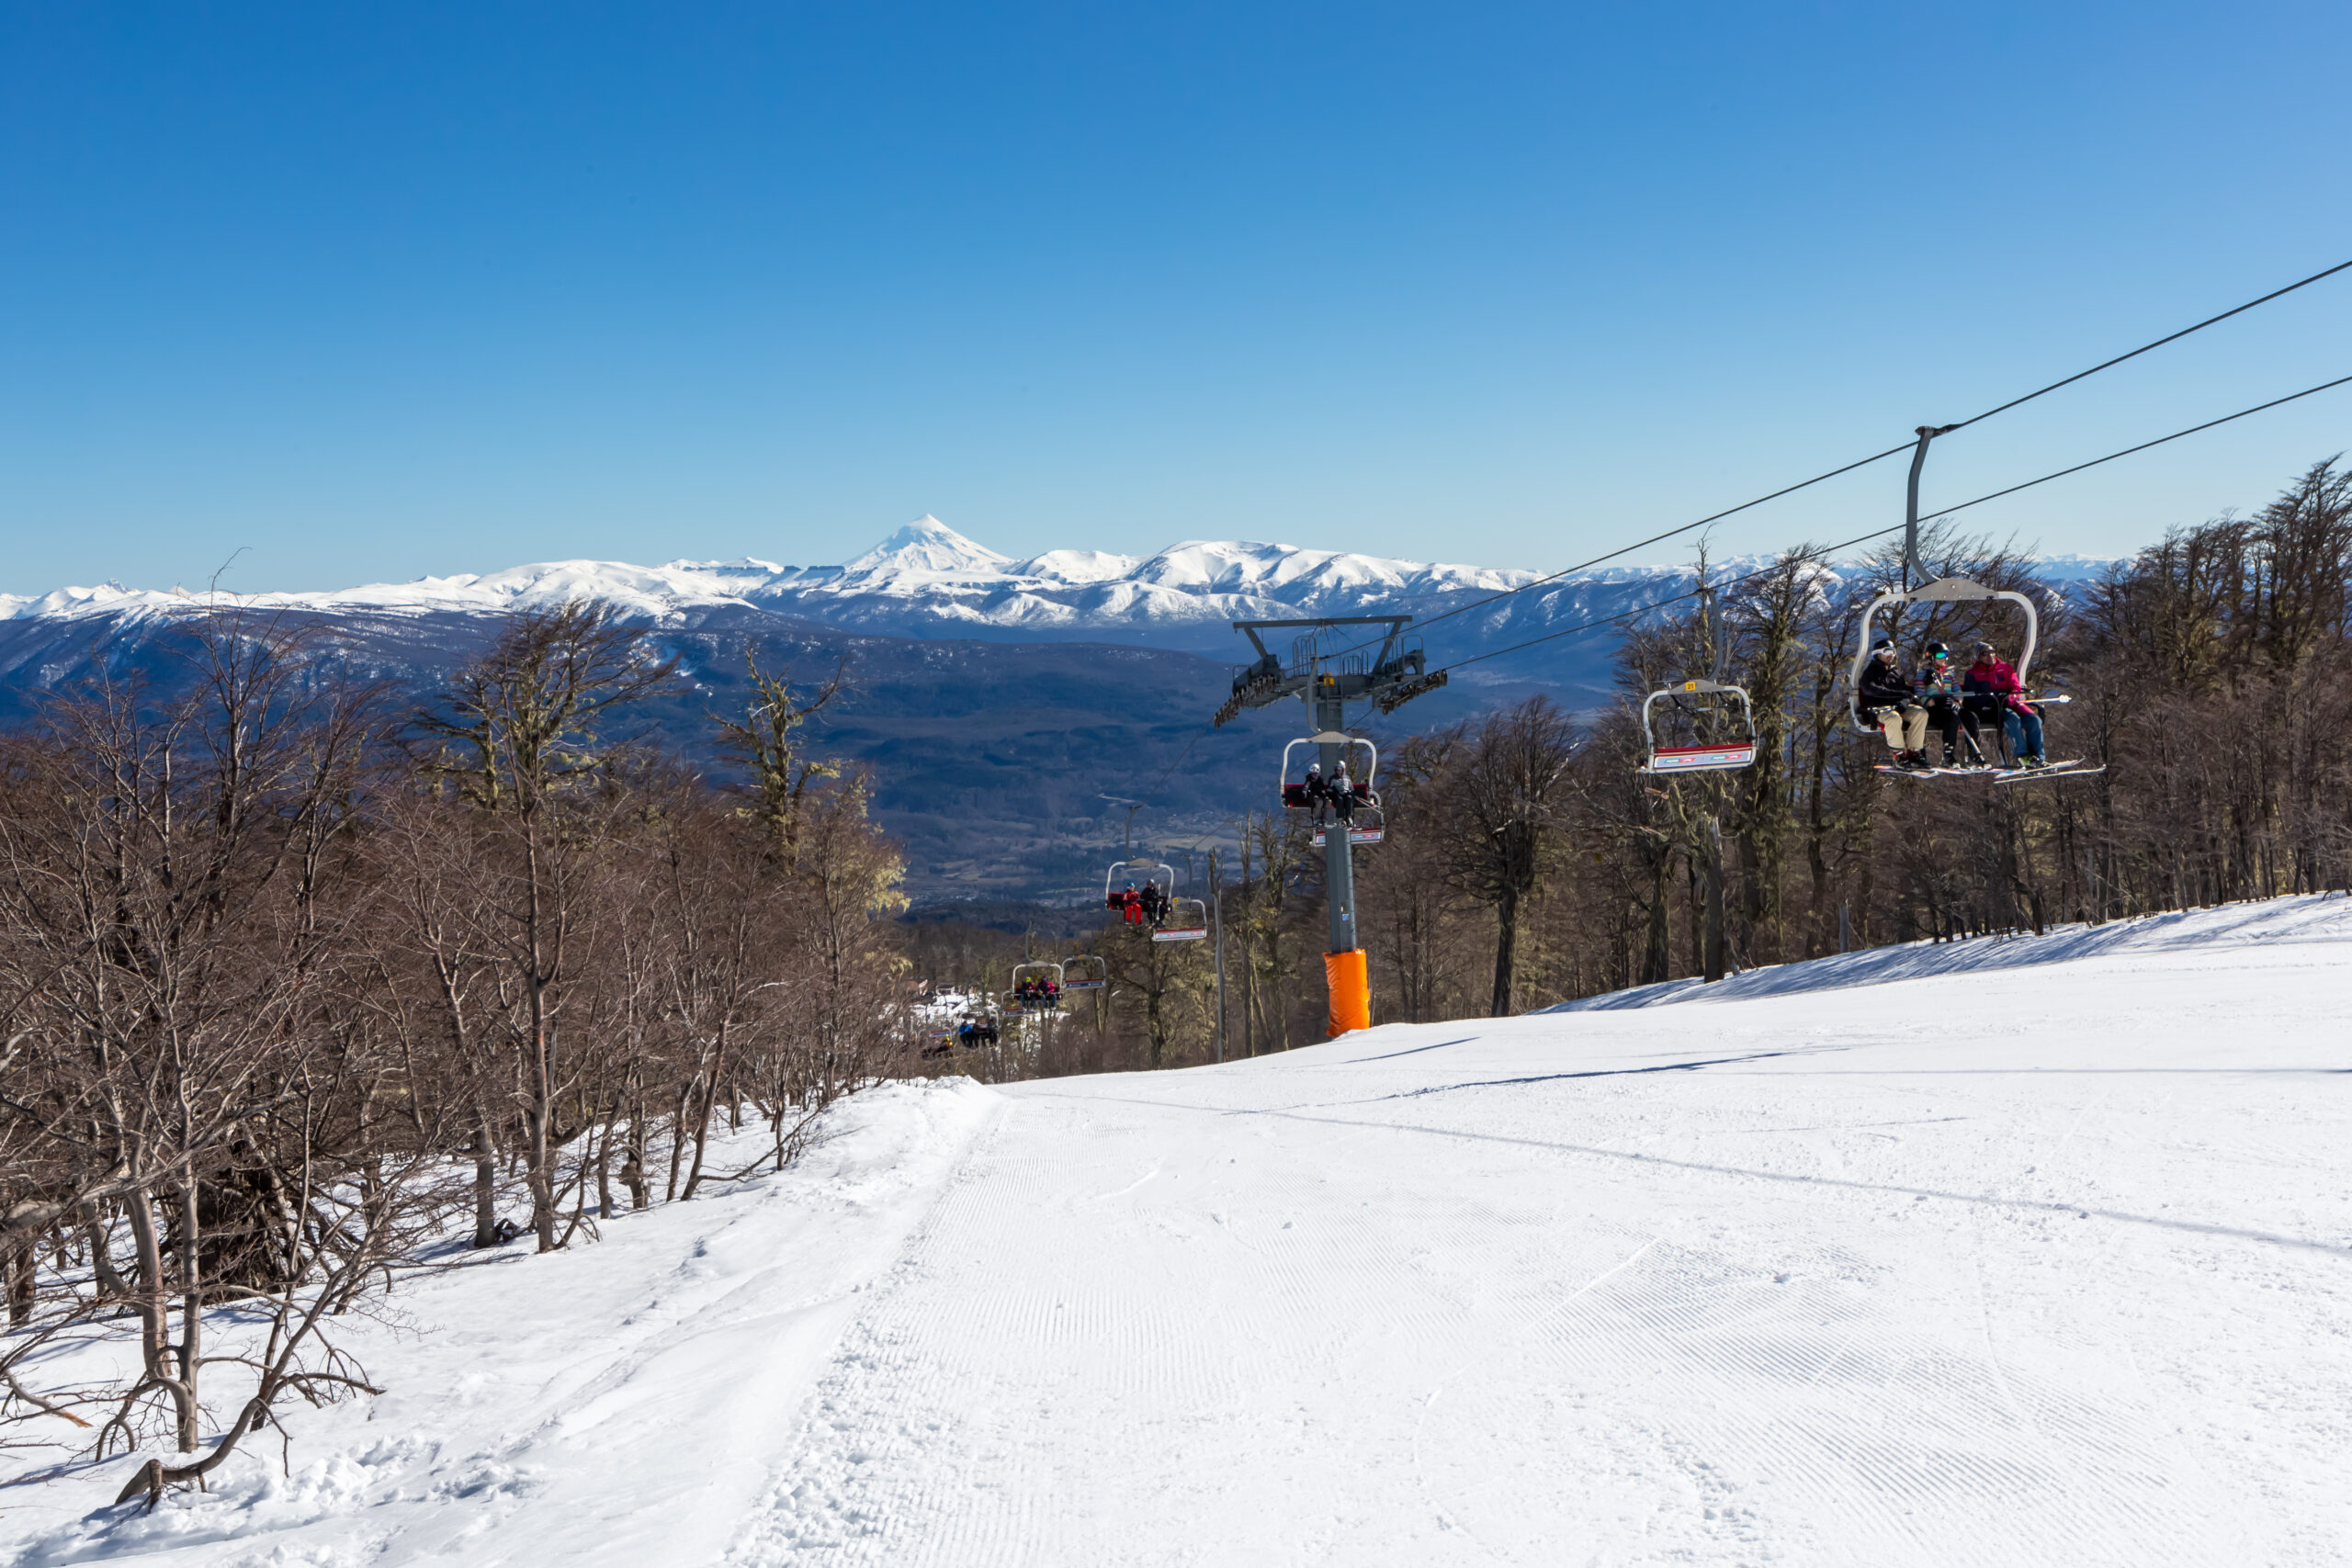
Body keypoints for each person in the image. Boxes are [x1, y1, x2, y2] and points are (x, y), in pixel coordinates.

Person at [1961, 640, 2044, 767]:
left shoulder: (2005, 668)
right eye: (1985, 653)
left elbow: (2015, 687)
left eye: (1992, 652)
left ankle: (2038, 756)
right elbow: (1973, 697)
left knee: (2034, 720)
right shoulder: (1973, 674)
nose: (1990, 656)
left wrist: (2010, 698)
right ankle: (2023, 755)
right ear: (1979, 657)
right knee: (2013, 720)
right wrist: (1992, 700)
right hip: (1993, 708)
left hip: (2009, 703)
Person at [1857, 637, 1931, 769]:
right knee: (1893, 718)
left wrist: (1905, 700)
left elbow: (1904, 691)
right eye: (1887, 652)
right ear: (1878, 654)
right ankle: (1899, 755)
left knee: (1921, 714)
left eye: (1893, 652)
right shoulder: (1871, 672)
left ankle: (1914, 751)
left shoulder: (1895, 672)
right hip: (1880, 709)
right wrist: (1896, 694)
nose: (1890, 655)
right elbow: (1870, 689)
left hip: (1897, 707)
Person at [1915, 640, 1965, 764]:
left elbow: (1956, 688)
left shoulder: (1948, 673)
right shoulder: (1924, 674)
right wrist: (1927, 701)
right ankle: (1919, 753)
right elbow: (1919, 693)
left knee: (1956, 716)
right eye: (1940, 656)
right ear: (1931, 657)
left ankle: (1949, 753)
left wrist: (1958, 699)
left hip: (1948, 706)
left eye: (1945, 655)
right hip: (1933, 708)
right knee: (1949, 715)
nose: (1944, 658)